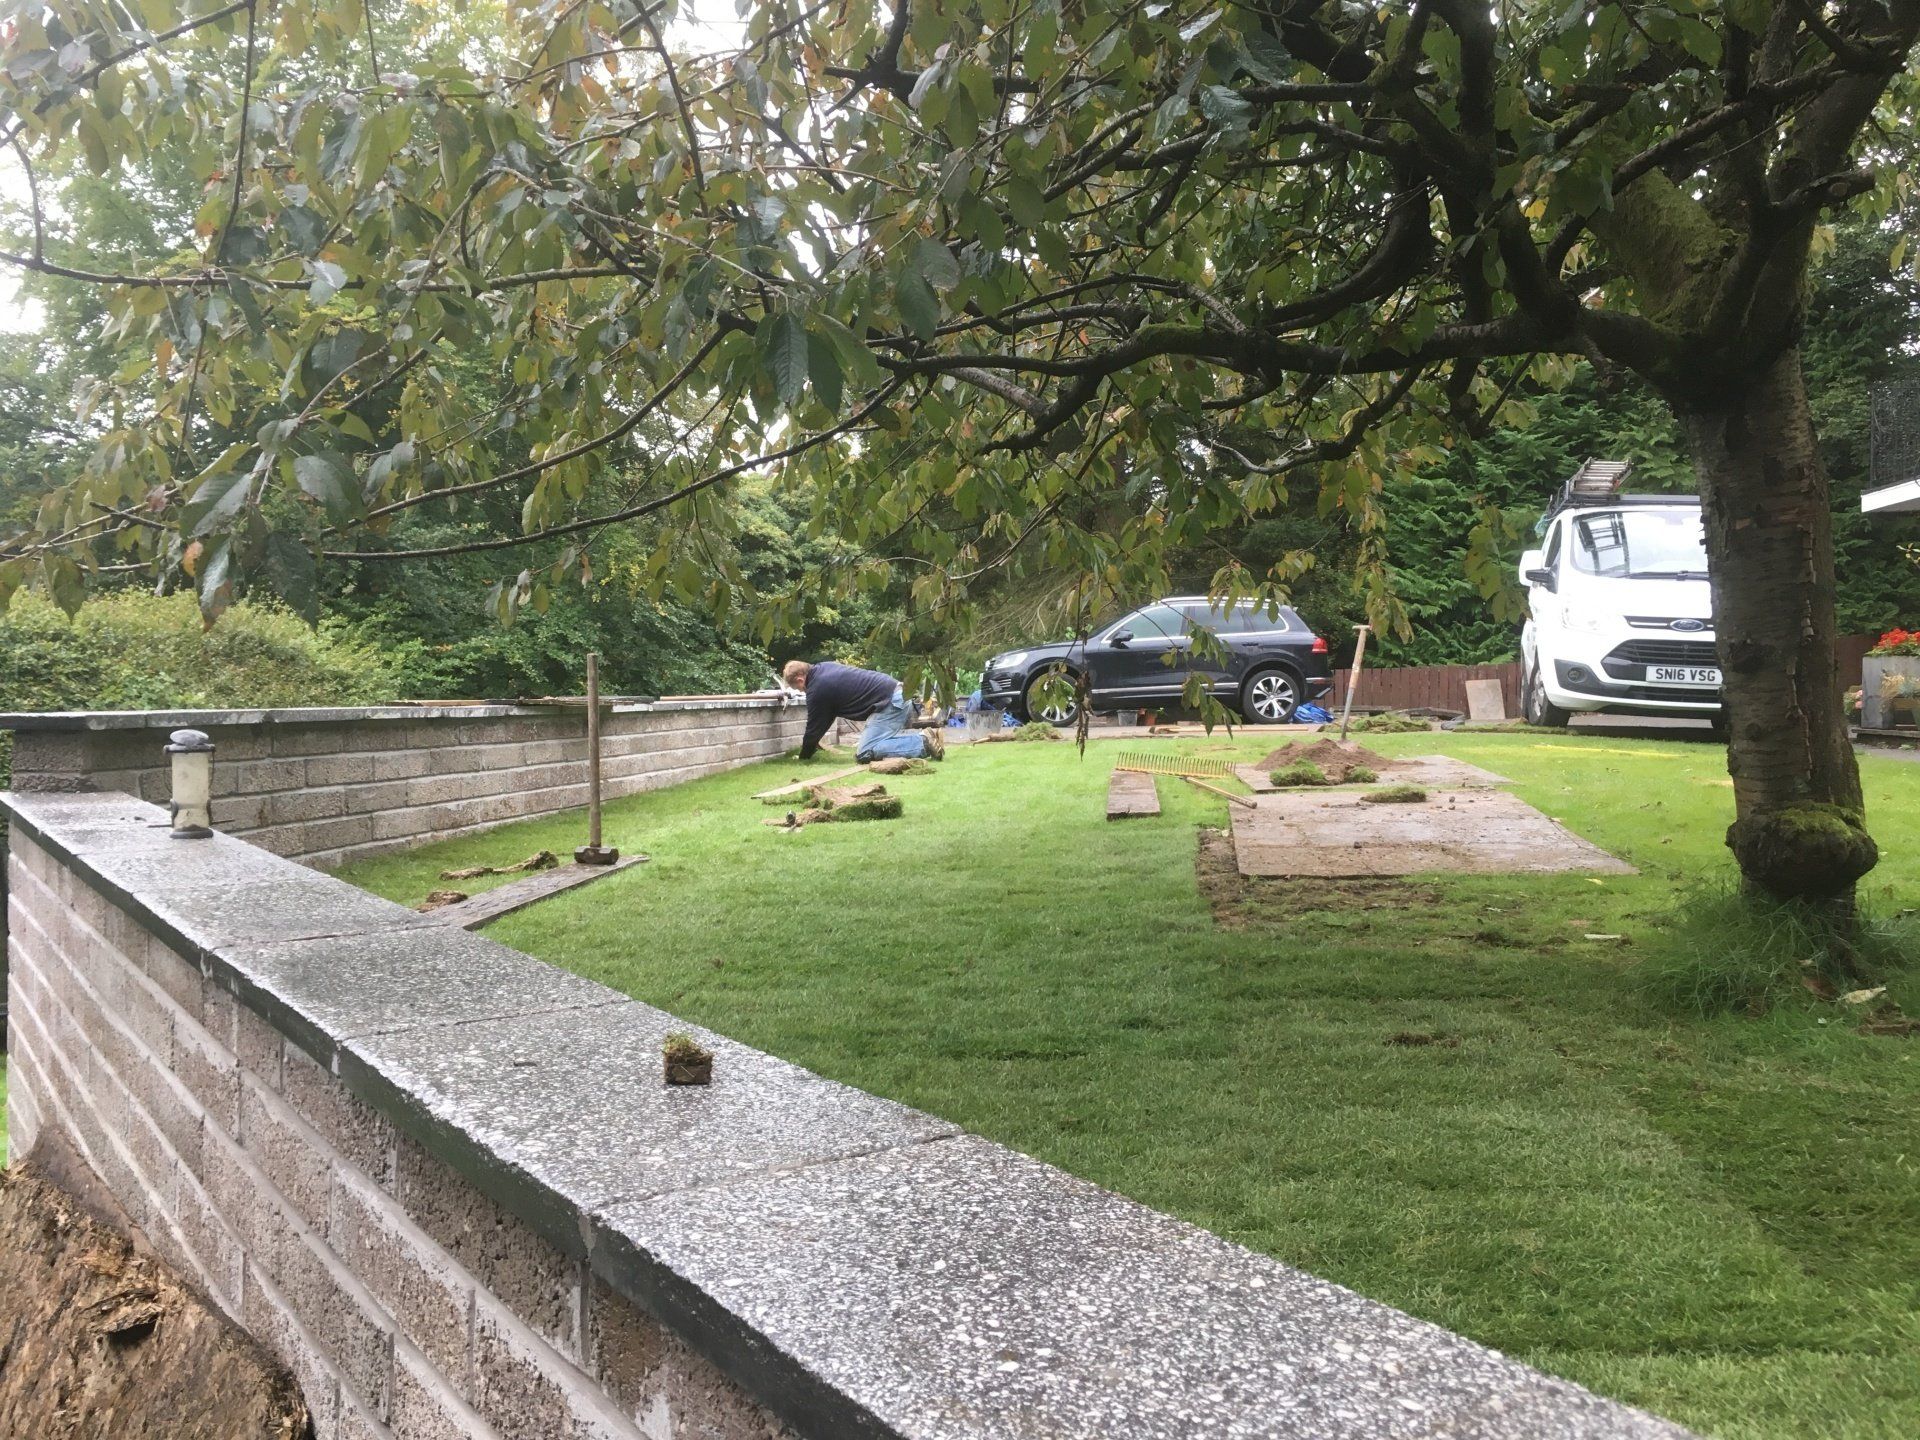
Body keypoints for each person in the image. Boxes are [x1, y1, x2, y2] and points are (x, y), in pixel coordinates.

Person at [782, 659, 944, 763]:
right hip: (895, 694)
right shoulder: (824, 668)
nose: (802, 692)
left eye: (798, 688)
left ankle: (922, 741)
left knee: (864, 752)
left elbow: (813, 726)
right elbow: (826, 717)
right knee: (876, 743)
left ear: (800, 680)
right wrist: (814, 744)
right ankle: (930, 737)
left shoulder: (817, 689)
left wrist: (804, 757)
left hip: (890, 703)